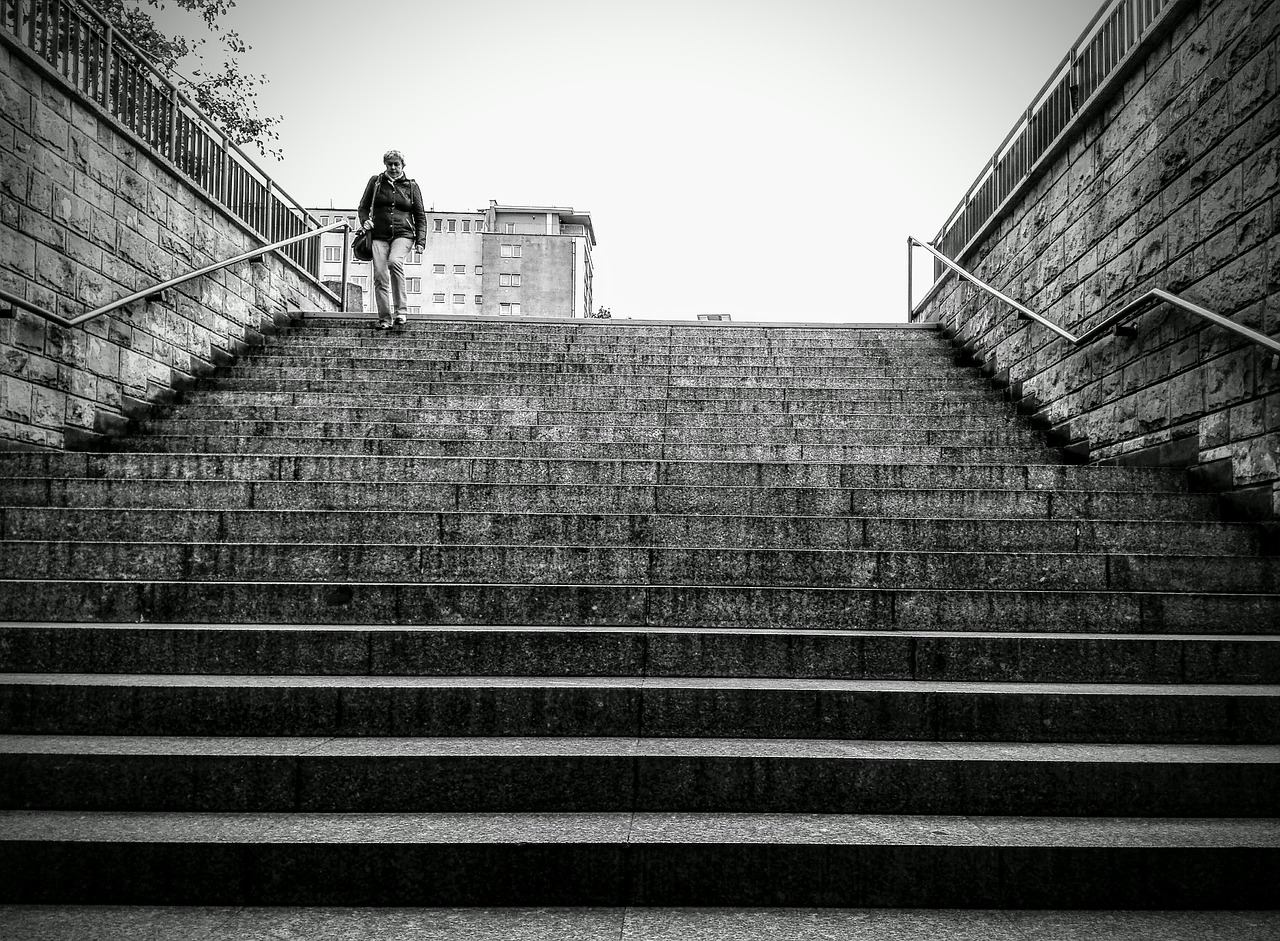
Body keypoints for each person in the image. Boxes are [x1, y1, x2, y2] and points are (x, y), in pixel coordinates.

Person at [358, 150, 426, 330]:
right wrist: (365, 221)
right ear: (385, 165)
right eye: (390, 164)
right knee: (380, 275)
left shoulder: (411, 186)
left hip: (403, 234)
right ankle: (385, 319)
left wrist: (421, 241)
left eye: (397, 164)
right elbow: (363, 207)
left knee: (395, 262)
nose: (394, 168)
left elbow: (420, 215)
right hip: (378, 235)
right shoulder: (376, 182)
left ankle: (401, 312)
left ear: (403, 166)